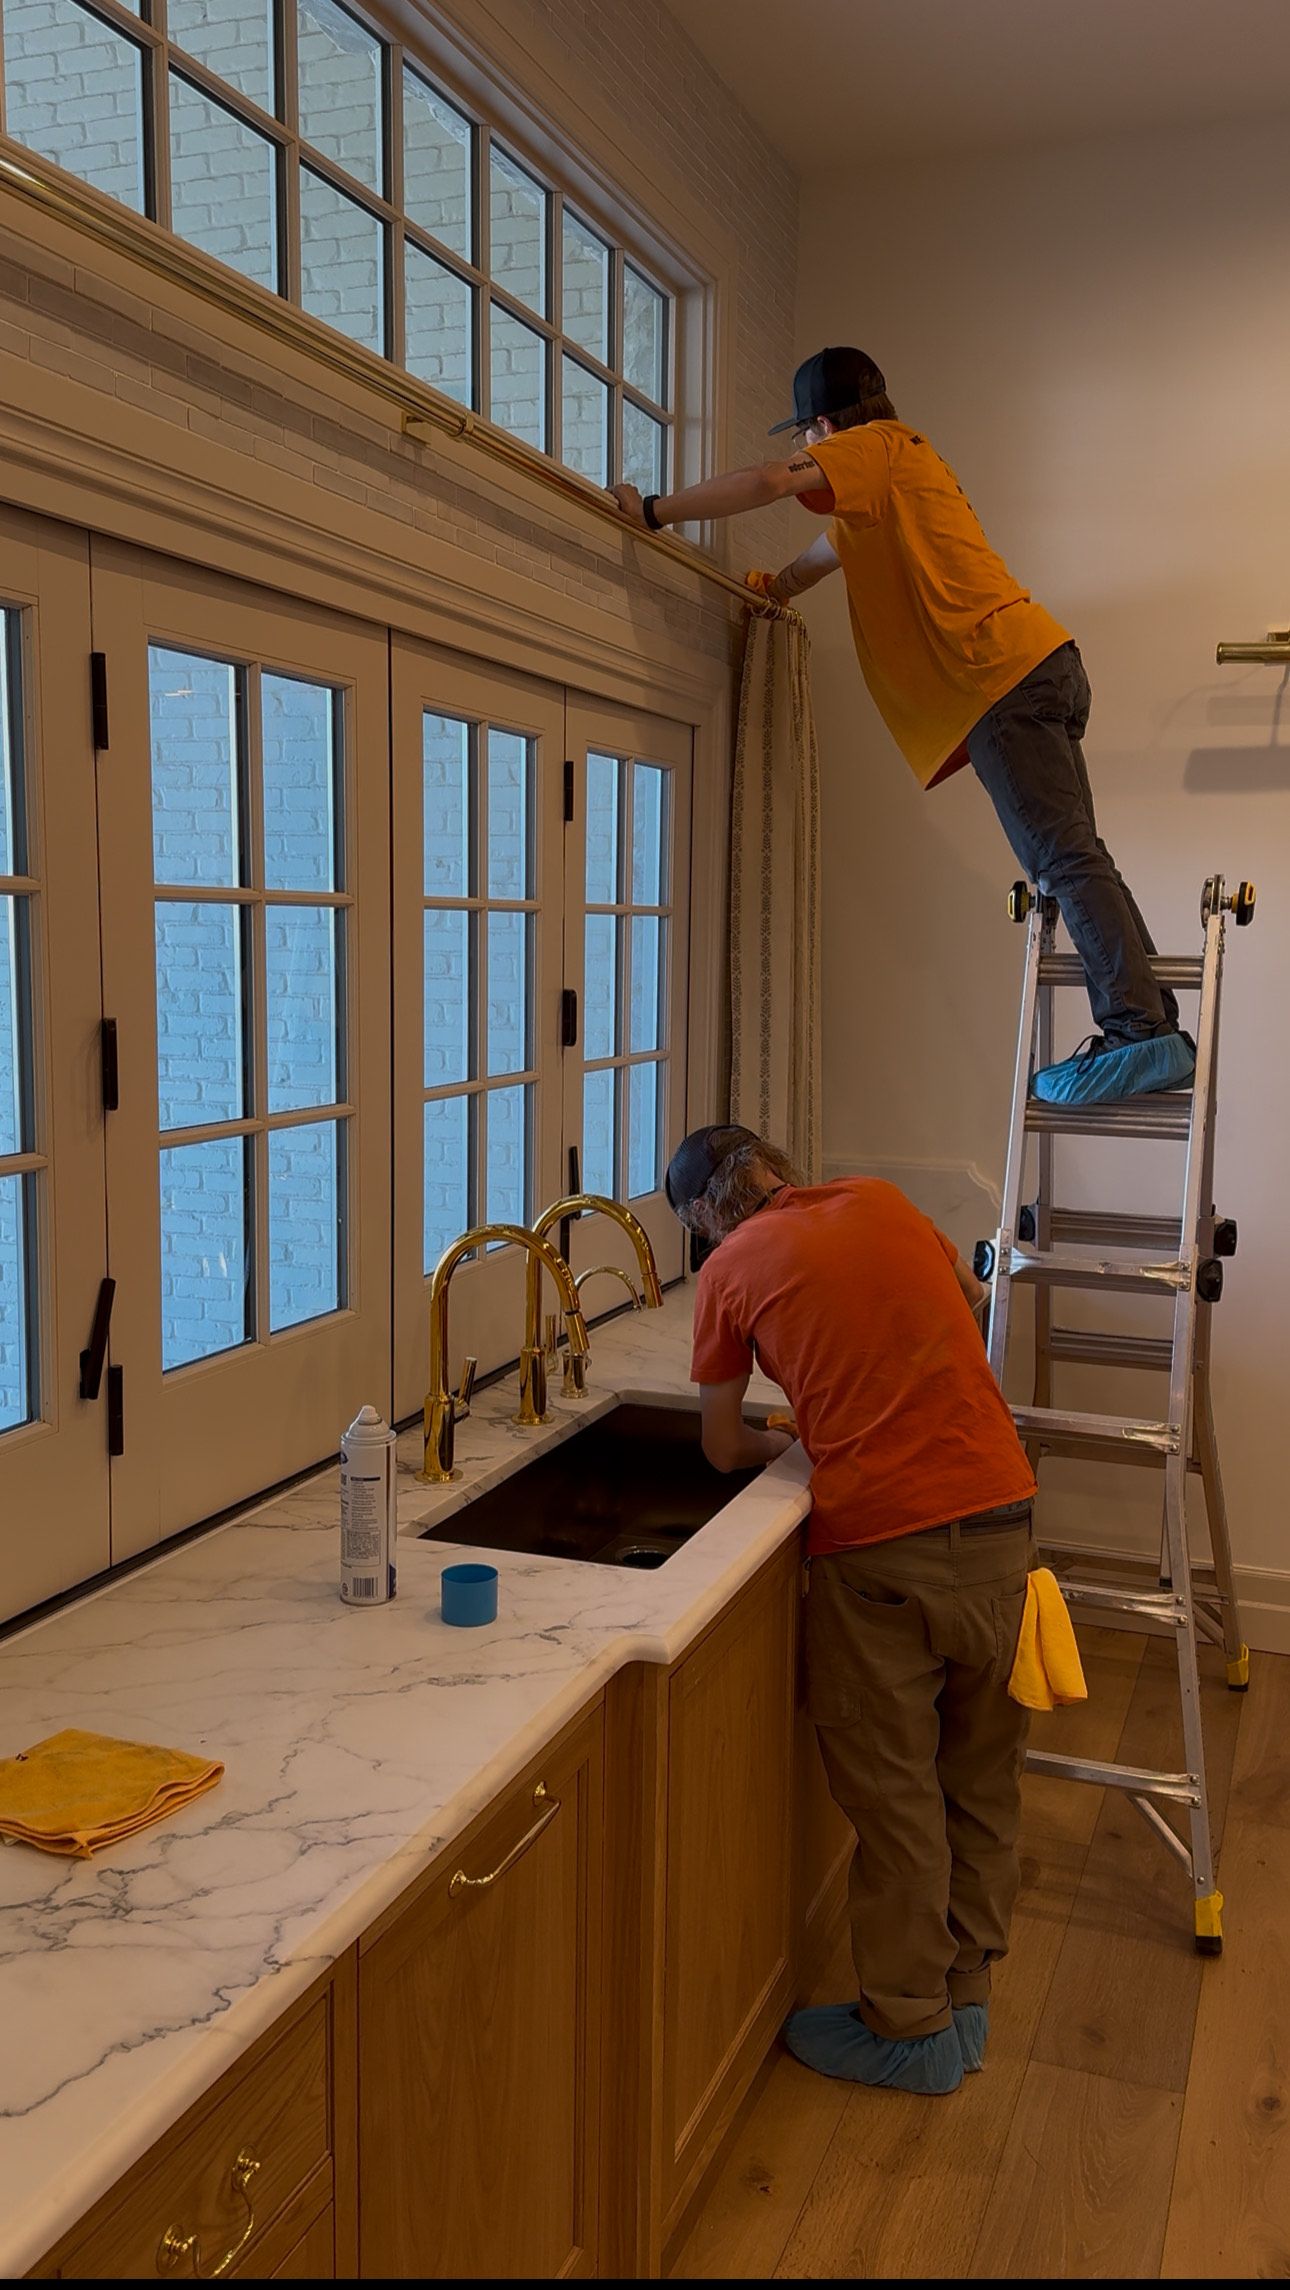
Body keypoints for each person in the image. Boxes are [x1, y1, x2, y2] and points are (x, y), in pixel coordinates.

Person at [610, 345, 1192, 1107]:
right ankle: (1156, 1028)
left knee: (1063, 861)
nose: (807, 452)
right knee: (1082, 856)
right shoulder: (891, 484)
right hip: (1036, 661)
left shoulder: (874, 446)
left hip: (998, 678)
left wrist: (653, 512)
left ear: (824, 427)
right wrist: (770, 589)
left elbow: (764, 481)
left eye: (806, 437)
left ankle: (1137, 1030)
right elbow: (819, 559)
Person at [664, 1121, 1038, 2097]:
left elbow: (720, 1447)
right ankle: (966, 1995)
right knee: (980, 1776)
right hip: (1002, 1512)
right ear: (777, 1165)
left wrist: (795, 1434)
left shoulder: (729, 1269)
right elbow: (971, 1305)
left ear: (704, 1217)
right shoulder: (878, 1199)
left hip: (883, 1546)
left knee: (896, 1794)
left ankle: (910, 2027)